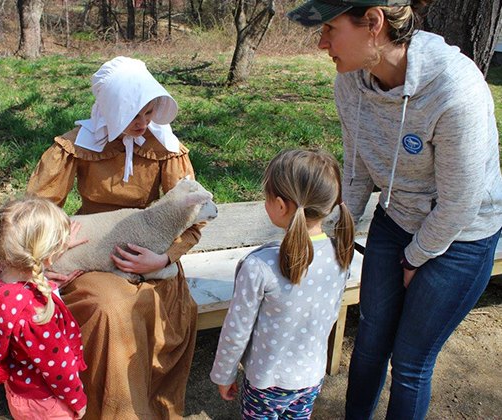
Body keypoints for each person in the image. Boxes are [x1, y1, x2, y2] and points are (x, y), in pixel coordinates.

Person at [288, 1, 502, 419]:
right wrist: (332, 233)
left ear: (373, 23)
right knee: (369, 343)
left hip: (462, 235)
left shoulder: (453, 88)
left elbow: (460, 201)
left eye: (330, 28)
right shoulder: (350, 81)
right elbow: (357, 166)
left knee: (409, 363)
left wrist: (415, 257)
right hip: (397, 216)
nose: (321, 43)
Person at [25, 56, 201, 419]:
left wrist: (164, 259)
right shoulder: (78, 145)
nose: (143, 123)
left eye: (150, 112)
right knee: (109, 311)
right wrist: (55, 244)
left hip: (152, 254)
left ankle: (146, 409)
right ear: (111, 109)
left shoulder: (165, 149)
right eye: (134, 115)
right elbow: (36, 210)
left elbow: (192, 216)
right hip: (93, 256)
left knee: (147, 308)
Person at [210, 149, 355, 419]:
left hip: (266, 381)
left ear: (279, 205)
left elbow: (237, 329)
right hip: (311, 377)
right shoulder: (340, 253)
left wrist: (224, 373)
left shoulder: (259, 266)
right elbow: (330, 313)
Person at [0, 197, 88, 420]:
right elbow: (58, 368)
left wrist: (52, 251)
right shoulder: (34, 315)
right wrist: (78, 401)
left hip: (19, 391)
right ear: (46, 257)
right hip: (48, 402)